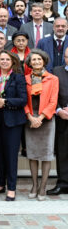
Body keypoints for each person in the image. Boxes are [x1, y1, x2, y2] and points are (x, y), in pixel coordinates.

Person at [0, 51, 28, 202]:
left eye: (7, 59)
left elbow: (23, 99)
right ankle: (0, 184)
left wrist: (5, 102)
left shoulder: (18, 77)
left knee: (11, 156)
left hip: (13, 121)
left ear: (13, 62)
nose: (4, 62)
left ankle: (11, 188)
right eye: (1, 59)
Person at [24, 49, 58, 201]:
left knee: (45, 155)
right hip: (30, 118)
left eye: (39, 59)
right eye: (33, 60)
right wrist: (31, 117)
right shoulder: (25, 79)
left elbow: (53, 101)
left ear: (44, 61)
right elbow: (23, 100)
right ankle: (34, 185)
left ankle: (43, 187)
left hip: (47, 119)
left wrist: (41, 117)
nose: (36, 62)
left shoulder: (53, 79)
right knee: (32, 154)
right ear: (29, 63)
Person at [47, 49, 68, 196]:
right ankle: (63, 183)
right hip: (62, 118)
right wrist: (58, 110)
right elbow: (50, 94)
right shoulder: (56, 71)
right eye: (67, 56)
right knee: (63, 152)